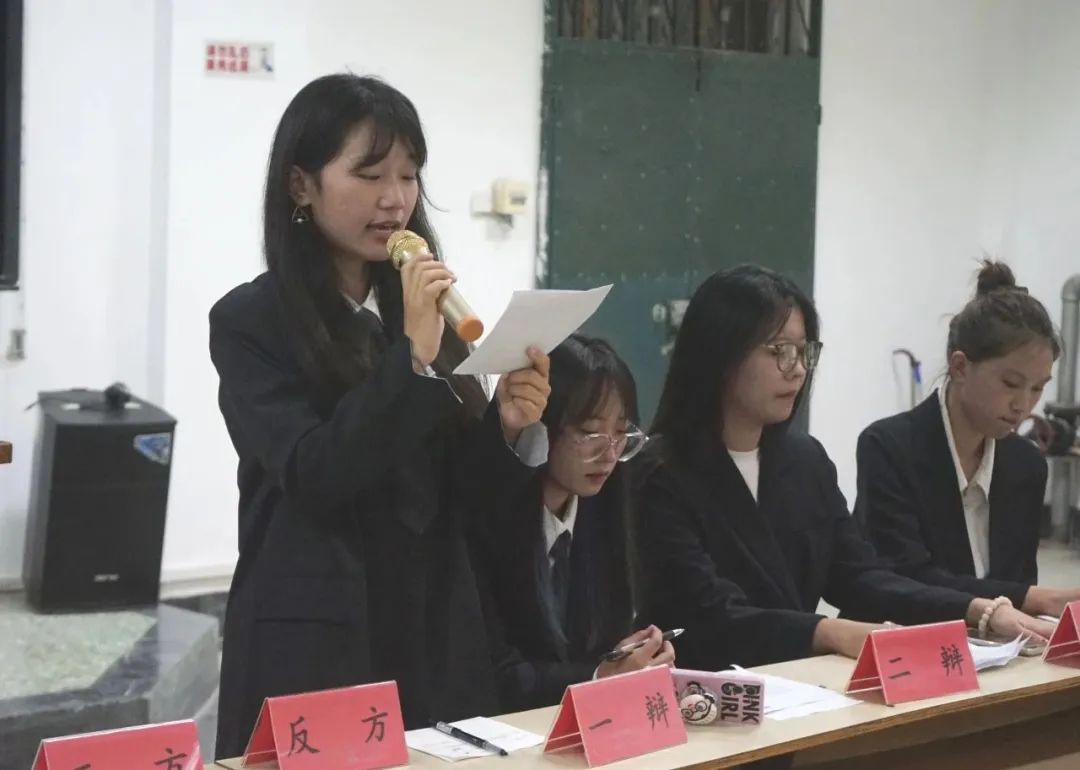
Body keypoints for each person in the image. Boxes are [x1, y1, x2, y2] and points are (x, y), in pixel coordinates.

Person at [208, 74, 551, 757]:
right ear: (301, 185)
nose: (395, 199)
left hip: (433, 633)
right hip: (320, 639)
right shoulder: (252, 321)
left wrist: (509, 427)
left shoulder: (423, 311)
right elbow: (315, 472)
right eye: (369, 175)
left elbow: (464, 499)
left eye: (408, 175)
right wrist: (412, 360)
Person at [635, 265, 1055, 673]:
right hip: (701, 693)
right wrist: (832, 632)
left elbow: (860, 577)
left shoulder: (804, 460)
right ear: (720, 353)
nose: (798, 369)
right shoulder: (660, 472)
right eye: (779, 352)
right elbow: (710, 612)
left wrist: (978, 610)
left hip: (797, 687)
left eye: (804, 352)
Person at [855, 260, 1080, 620]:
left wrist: (1027, 605)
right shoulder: (889, 447)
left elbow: (1016, 584)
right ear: (960, 367)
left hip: (991, 646)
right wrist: (1037, 599)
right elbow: (905, 579)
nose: (1023, 404)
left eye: (1038, 388)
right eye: (1010, 383)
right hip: (894, 637)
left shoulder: (1026, 464)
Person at [474, 334, 675, 712]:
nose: (609, 453)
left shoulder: (606, 513)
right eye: (589, 432)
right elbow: (496, 673)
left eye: (621, 433)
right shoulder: (490, 521)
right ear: (543, 425)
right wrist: (599, 677)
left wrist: (631, 658)